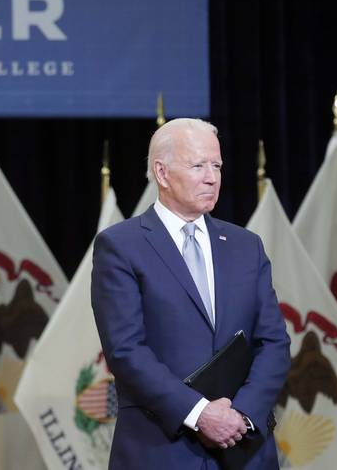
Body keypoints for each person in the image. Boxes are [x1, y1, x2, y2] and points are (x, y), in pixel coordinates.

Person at [91, 118, 290, 469]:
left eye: (217, 165)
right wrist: (199, 414)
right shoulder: (121, 246)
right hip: (162, 450)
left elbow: (274, 342)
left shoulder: (246, 246)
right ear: (162, 173)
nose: (212, 177)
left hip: (244, 448)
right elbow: (125, 350)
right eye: (198, 165)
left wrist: (241, 415)